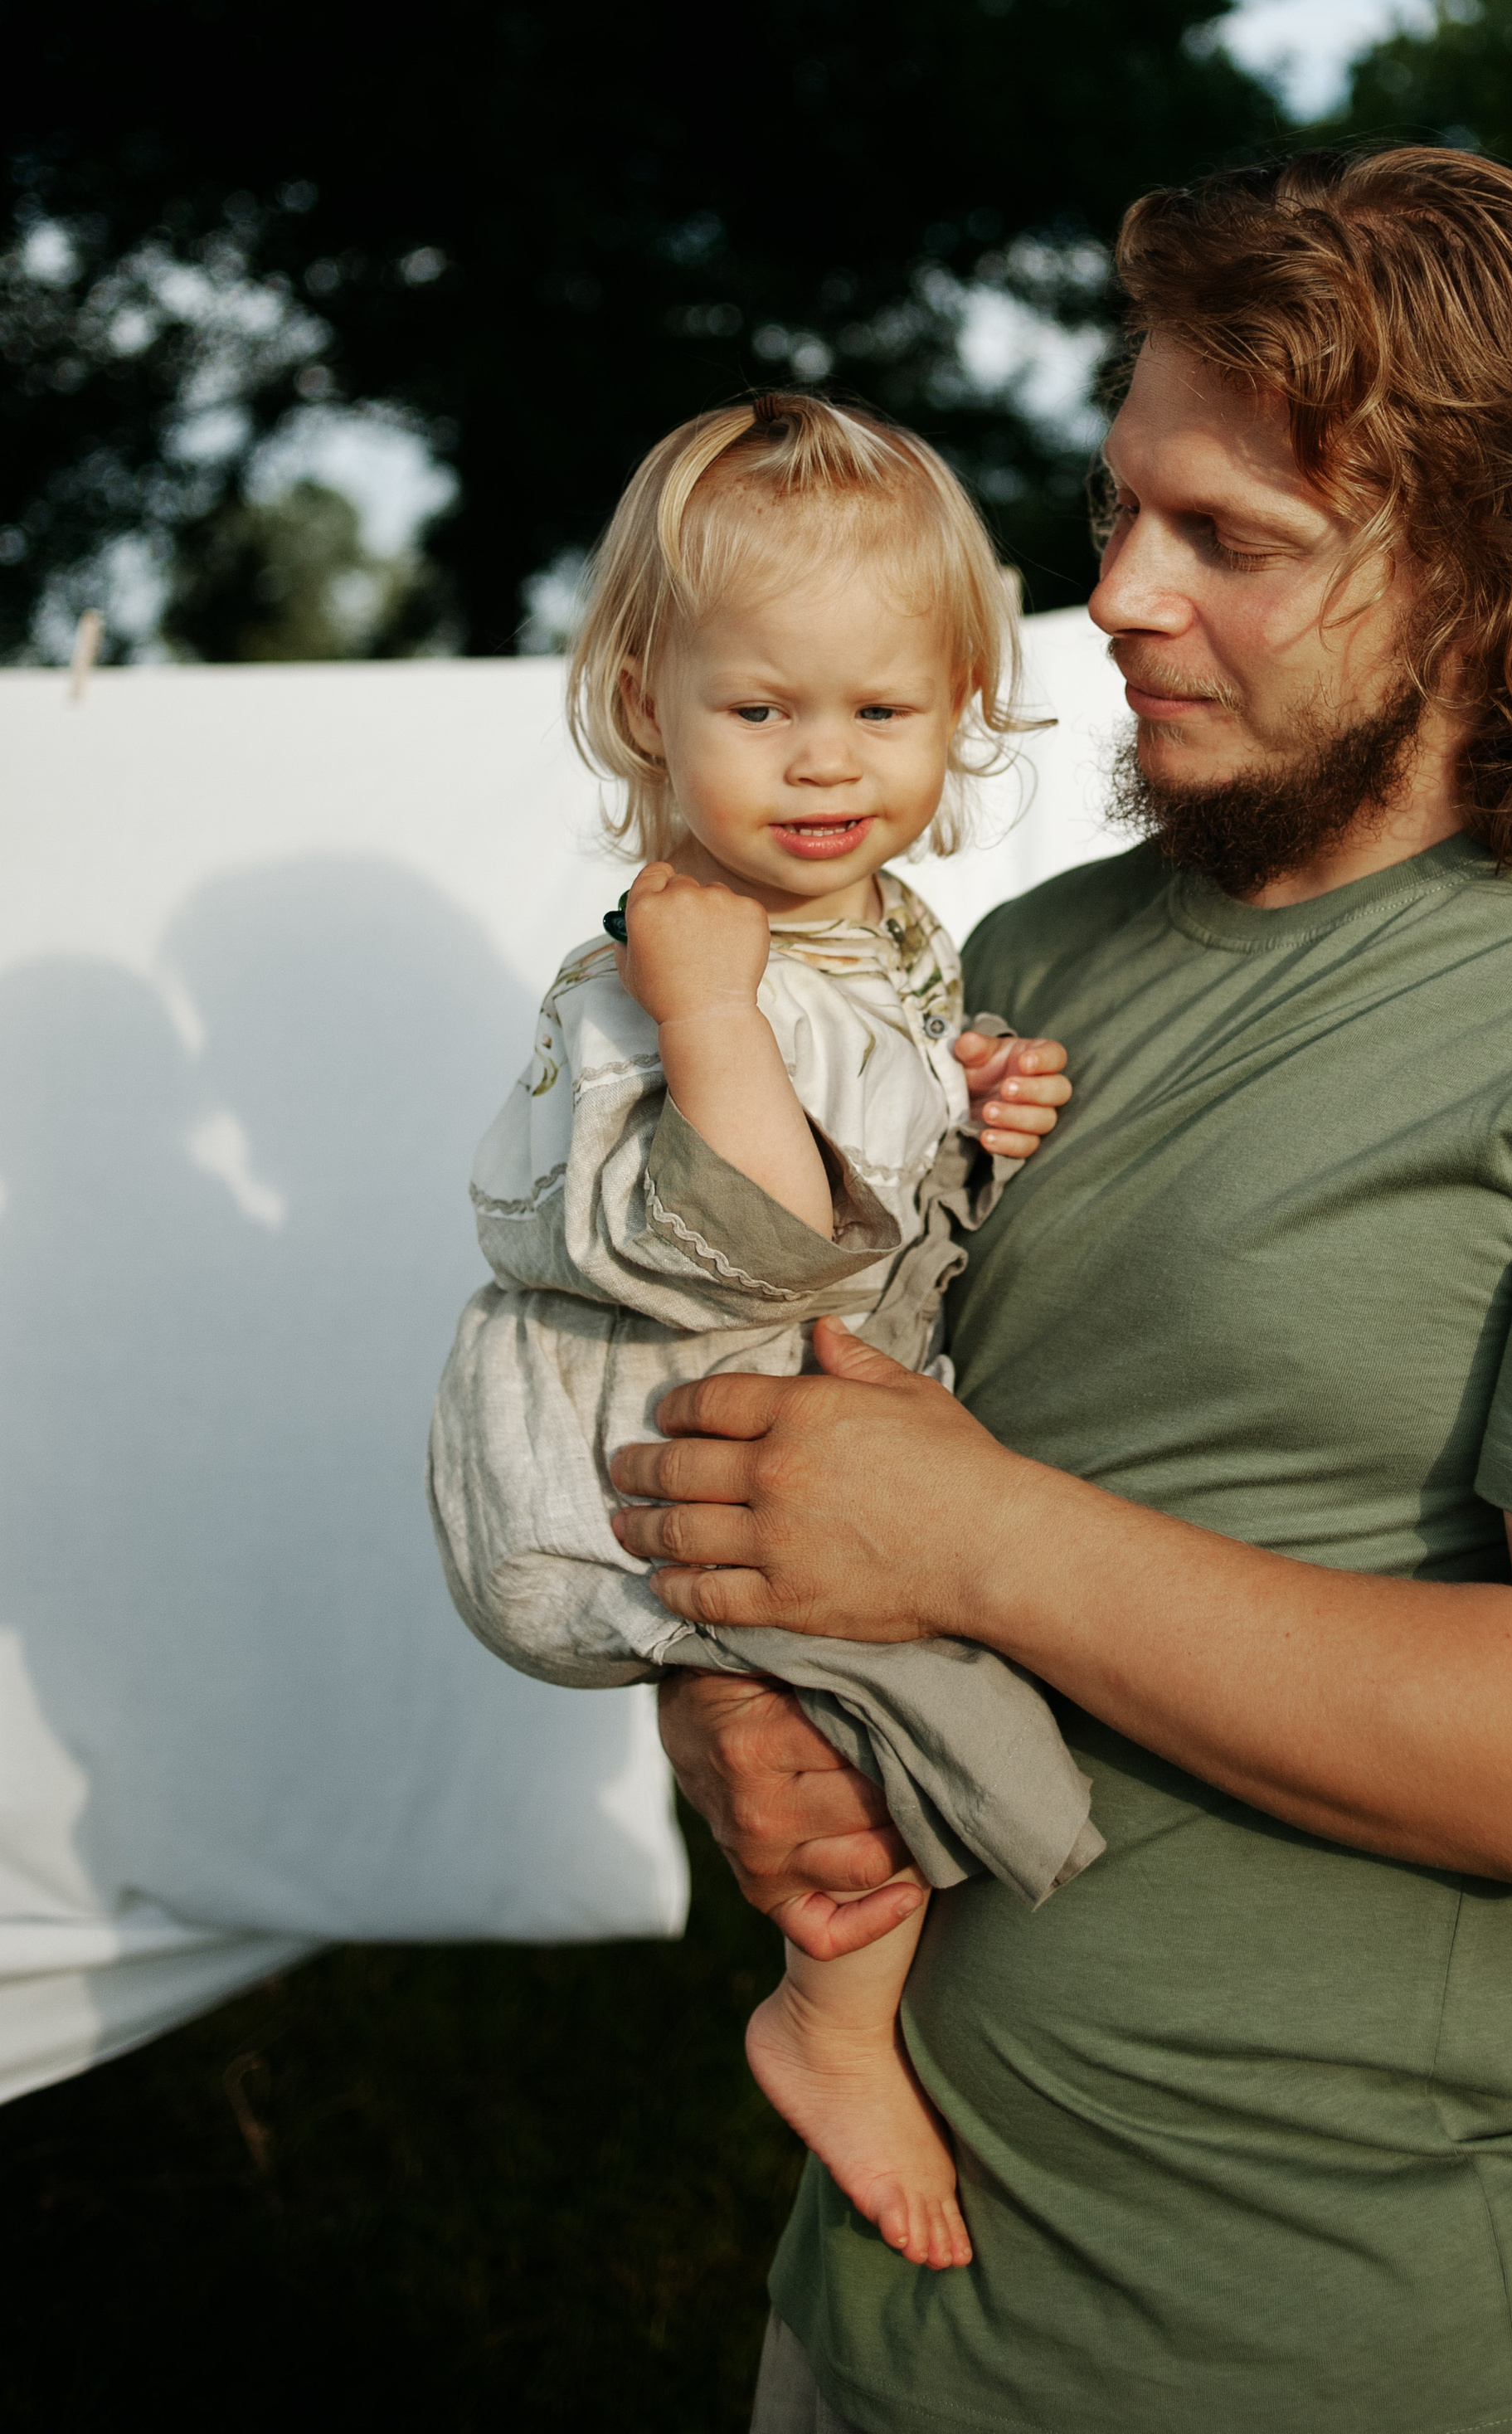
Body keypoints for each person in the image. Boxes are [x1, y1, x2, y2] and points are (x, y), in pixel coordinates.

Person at [617, 148, 1512, 2434]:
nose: (1113, 595)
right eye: (1121, 504)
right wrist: (730, 1721)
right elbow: (798, 1427)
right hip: (883, 2314)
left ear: (1491, 568)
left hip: (1365, 2347)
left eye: (1226, 539)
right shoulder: (1025, 964)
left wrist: (971, 1537)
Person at [426, 392, 1085, 2274]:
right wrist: (710, 1016)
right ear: (648, 706)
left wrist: (967, 1104)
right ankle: (828, 2020)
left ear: (963, 705)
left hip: (753, 1435)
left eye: (882, 710)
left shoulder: (875, 931)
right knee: (922, 1735)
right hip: (641, 1477)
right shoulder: (667, 967)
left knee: (940, 1711)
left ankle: (862, 2006)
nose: (825, 761)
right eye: (763, 709)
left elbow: (866, 1136)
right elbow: (758, 1232)